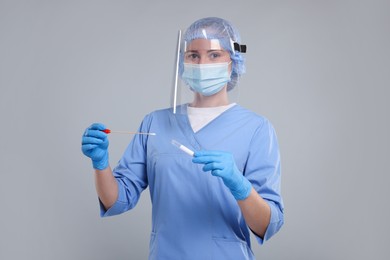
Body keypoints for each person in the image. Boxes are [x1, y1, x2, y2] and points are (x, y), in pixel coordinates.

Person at [82, 17, 284, 259]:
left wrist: (239, 185)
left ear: (233, 61)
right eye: (193, 56)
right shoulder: (155, 123)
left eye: (214, 55)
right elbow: (116, 200)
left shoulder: (257, 129)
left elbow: (266, 225)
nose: (202, 63)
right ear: (183, 62)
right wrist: (100, 163)